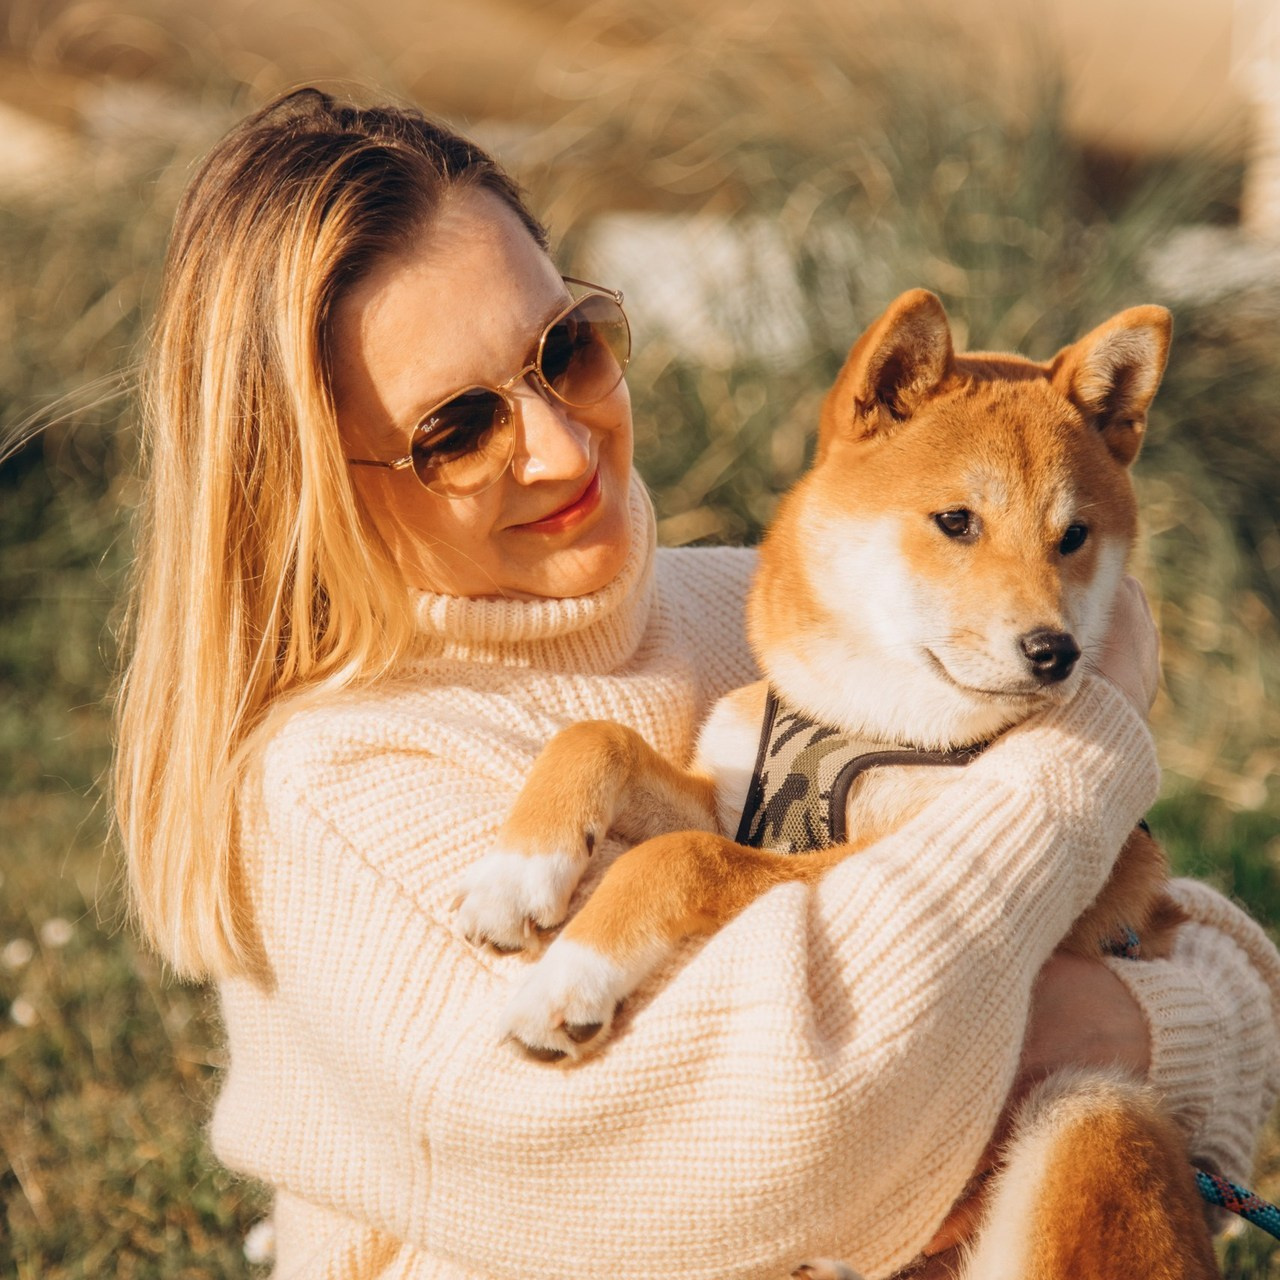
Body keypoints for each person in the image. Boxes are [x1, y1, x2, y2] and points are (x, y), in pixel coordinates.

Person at [114, 88, 1280, 1279]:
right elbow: (760, 1147)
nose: (563, 444)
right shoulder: (341, 784)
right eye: (457, 429)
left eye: (562, 349)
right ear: (308, 484)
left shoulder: (781, 614)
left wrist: (1130, 1029)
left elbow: (1226, 975)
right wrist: (1080, 745)